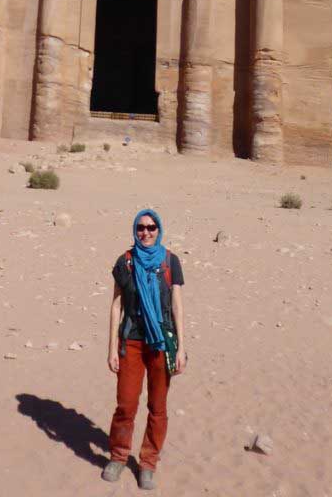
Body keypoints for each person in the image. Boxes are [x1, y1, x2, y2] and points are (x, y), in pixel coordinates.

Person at [102, 208, 186, 490]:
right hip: (132, 342)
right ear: (134, 230)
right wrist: (112, 347)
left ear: (158, 229)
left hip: (162, 342)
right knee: (126, 404)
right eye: (141, 228)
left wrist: (182, 348)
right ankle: (118, 456)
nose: (146, 232)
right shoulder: (124, 262)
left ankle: (148, 463)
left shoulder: (170, 261)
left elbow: (177, 306)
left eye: (151, 228)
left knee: (158, 406)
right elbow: (116, 305)